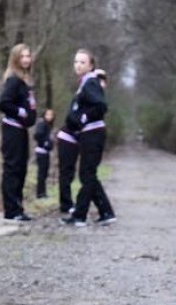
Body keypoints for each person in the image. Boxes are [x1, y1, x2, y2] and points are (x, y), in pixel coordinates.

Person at [61, 50, 116, 227]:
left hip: (93, 133)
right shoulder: (85, 83)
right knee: (88, 174)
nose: (78, 65)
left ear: (91, 65)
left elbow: (101, 105)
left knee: (87, 174)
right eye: (76, 62)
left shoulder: (90, 82)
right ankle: (106, 212)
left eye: (82, 62)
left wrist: (83, 117)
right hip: (88, 134)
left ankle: (80, 215)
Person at [0, 43, 37, 221]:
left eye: (28, 56)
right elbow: (3, 103)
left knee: (21, 169)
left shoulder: (25, 81)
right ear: (15, 59)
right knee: (12, 168)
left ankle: (18, 208)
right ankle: (11, 210)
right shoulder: (13, 80)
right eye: (23, 56)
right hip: (12, 130)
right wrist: (21, 112)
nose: (26, 59)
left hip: (21, 131)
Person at [33, 108, 55, 199]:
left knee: (44, 173)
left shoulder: (48, 125)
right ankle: (40, 193)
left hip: (45, 152)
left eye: (51, 115)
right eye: (48, 114)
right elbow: (37, 135)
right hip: (41, 151)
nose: (50, 117)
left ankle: (43, 193)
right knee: (41, 173)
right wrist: (45, 143)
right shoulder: (42, 123)